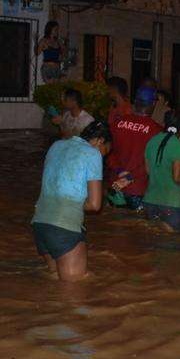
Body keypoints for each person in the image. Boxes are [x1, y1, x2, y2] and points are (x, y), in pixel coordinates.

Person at [31, 121, 111, 282]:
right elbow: (95, 205)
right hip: (63, 228)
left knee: (54, 282)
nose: (104, 155)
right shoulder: (92, 153)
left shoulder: (56, 145)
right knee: (75, 290)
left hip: (40, 223)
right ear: (100, 141)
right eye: (106, 151)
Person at [106, 86, 163, 210]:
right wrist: (129, 177)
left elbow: (108, 153)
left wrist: (120, 171)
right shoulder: (157, 131)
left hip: (115, 188)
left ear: (135, 102)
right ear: (153, 104)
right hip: (138, 192)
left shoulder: (117, 124)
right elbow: (155, 164)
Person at [143, 127, 180, 232]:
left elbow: (148, 171)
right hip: (171, 203)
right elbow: (177, 178)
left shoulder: (151, 141)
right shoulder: (178, 146)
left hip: (149, 202)